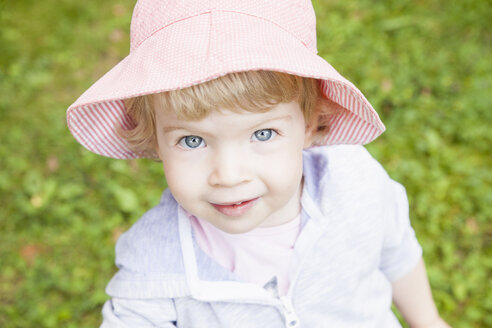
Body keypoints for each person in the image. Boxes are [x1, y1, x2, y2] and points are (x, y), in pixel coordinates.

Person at [66, 0, 451, 327]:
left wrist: (429, 322)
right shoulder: (154, 260)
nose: (229, 176)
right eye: (193, 140)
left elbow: (396, 250)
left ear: (311, 122)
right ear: (154, 139)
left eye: (263, 134)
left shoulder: (355, 183)